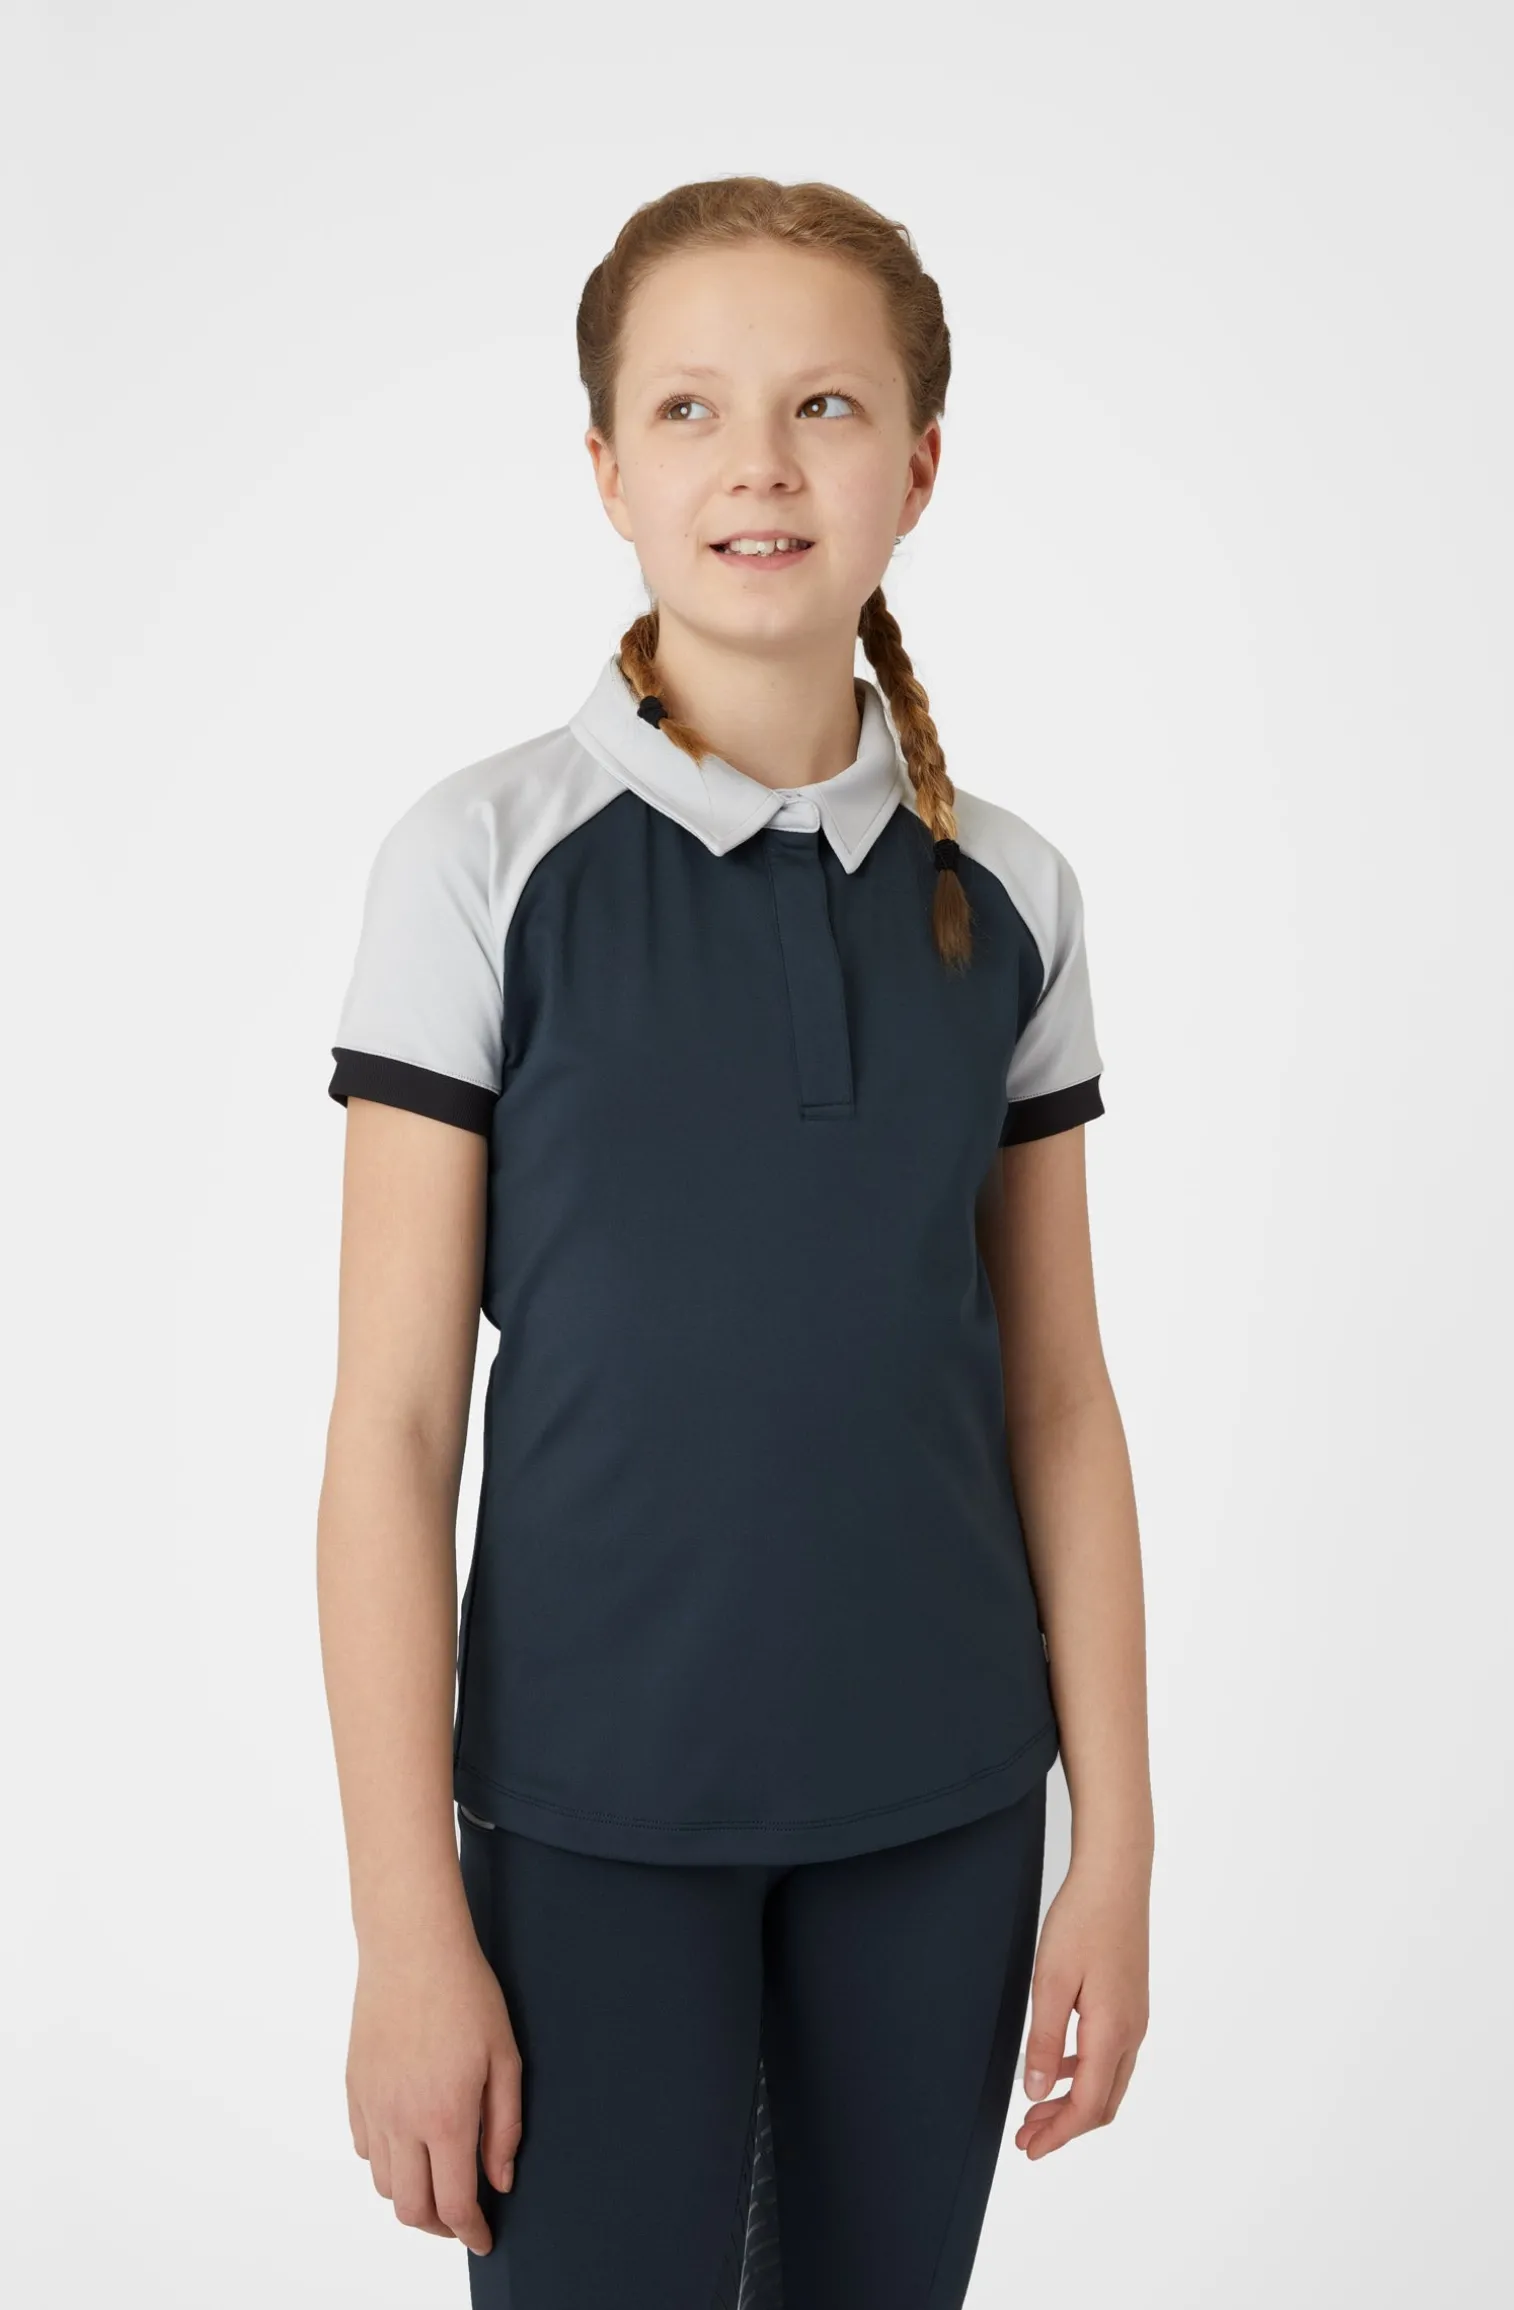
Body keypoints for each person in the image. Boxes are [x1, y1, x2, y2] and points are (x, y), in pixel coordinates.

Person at [317, 174, 1152, 2309]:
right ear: (607, 468)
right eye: (687, 408)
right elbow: (394, 1426)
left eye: (823, 406)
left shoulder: (1015, 896)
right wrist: (408, 1925)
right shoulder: (481, 862)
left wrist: (1115, 1850)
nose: (758, 464)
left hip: (943, 1820)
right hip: (585, 1824)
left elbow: (1058, 1399)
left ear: (918, 468)